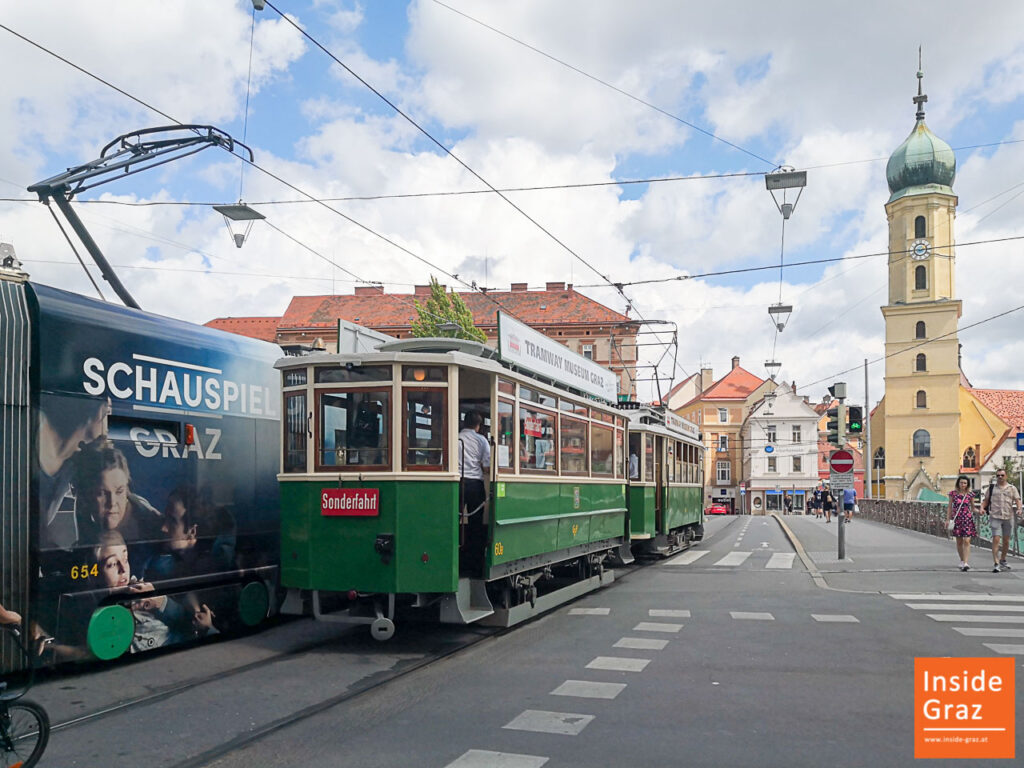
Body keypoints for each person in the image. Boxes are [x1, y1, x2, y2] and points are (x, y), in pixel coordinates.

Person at [458, 411, 490, 573]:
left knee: (454, 519)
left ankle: (455, 554)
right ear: (478, 425)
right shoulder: (481, 440)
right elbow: (486, 466)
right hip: (475, 484)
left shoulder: (454, 438)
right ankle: (475, 560)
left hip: (456, 484)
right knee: (476, 523)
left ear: (464, 423)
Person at [981, 468, 1022, 573]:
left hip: (1008, 517)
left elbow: (1017, 500)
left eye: (1002, 475)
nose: (1000, 477)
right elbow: (986, 500)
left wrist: (1019, 509)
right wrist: (982, 508)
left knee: (1006, 540)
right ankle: (996, 562)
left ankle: (1003, 559)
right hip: (995, 516)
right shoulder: (991, 488)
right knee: (996, 539)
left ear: (1006, 476)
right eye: (998, 475)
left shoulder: (1012, 488)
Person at [947, 475, 977, 572]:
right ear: (958, 483)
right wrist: (948, 519)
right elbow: (949, 507)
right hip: (957, 519)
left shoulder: (970, 495)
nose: (963, 485)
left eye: (965, 483)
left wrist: (979, 511)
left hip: (967, 519)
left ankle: (966, 562)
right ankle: (962, 560)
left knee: (967, 541)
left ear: (967, 484)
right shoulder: (953, 494)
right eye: (961, 483)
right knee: (959, 541)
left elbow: (973, 508)